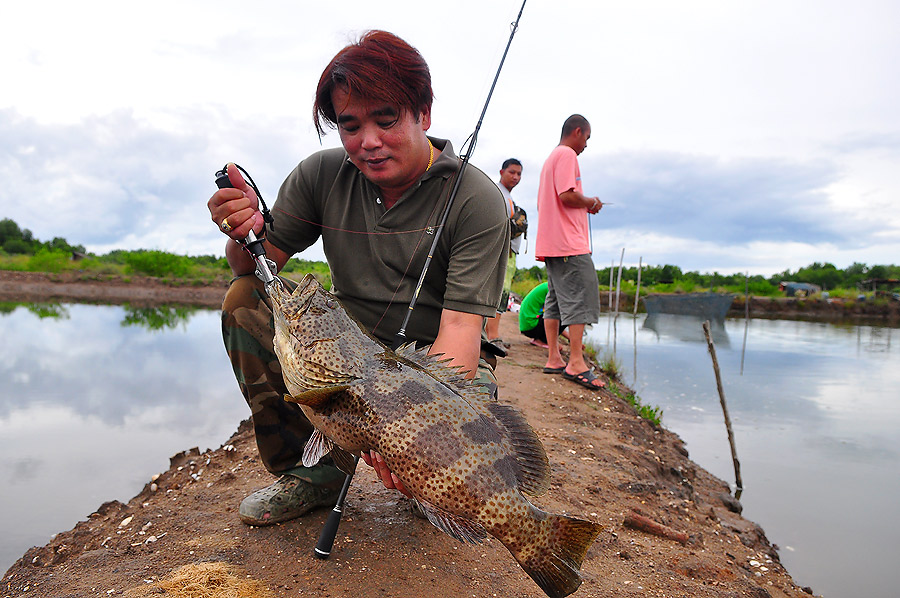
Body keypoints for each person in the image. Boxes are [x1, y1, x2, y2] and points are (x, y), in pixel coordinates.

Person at [207, 30, 509, 526]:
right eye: (350, 126)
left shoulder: (477, 199)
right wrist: (242, 229)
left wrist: (413, 434)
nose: (368, 142)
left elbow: (459, 329)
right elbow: (252, 269)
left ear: (424, 113)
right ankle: (313, 476)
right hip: (345, 352)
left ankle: (437, 487)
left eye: (386, 119)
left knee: (439, 483)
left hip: (435, 361)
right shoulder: (320, 175)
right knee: (244, 299)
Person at [533, 114, 605, 390]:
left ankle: (554, 358)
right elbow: (567, 194)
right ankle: (576, 362)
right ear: (577, 132)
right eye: (586, 138)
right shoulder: (566, 155)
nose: (586, 144)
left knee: (555, 300)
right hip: (568, 244)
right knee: (580, 297)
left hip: (553, 244)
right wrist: (590, 202)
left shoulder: (551, 158)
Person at [485, 158, 524, 349]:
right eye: (512, 172)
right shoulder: (497, 193)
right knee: (499, 291)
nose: (515, 177)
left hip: (509, 251)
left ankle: (492, 334)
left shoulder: (507, 196)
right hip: (502, 251)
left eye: (519, 174)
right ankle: (492, 336)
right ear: (502, 172)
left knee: (503, 292)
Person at [517, 281, 569, 349]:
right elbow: (555, 318)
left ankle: (542, 339)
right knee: (567, 313)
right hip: (531, 326)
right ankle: (543, 340)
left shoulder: (549, 285)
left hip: (527, 326)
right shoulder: (554, 289)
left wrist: (570, 338)